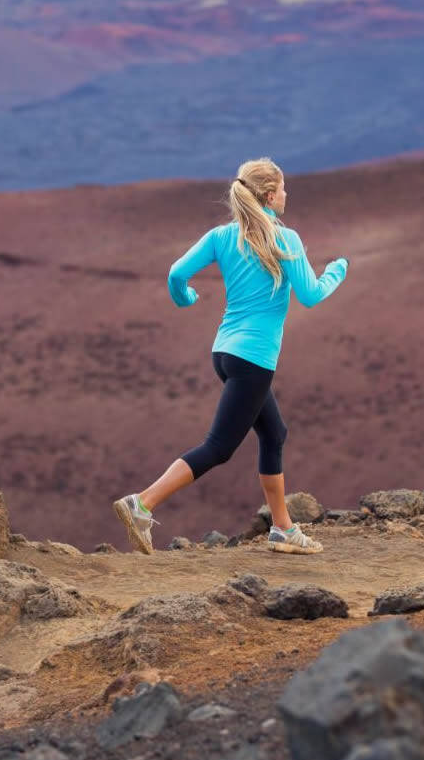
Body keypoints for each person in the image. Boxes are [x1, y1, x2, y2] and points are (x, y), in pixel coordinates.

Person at [114, 158, 347, 556]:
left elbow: (175, 274)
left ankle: (282, 529)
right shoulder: (284, 239)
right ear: (270, 195)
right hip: (253, 360)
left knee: (274, 434)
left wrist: (185, 298)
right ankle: (142, 504)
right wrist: (336, 272)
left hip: (224, 353)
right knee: (218, 448)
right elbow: (310, 295)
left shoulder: (222, 236)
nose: (287, 194)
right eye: (283, 188)